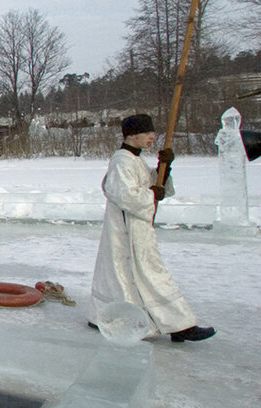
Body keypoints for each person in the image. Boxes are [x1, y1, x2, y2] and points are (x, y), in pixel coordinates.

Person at [88, 114, 215, 343]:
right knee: (135, 275)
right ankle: (178, 324)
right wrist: (152, 194)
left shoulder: (135, 160)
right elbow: (124, 194)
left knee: (142, 273)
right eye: (147, 133)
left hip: (139, 230)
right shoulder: (121, 161)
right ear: (132, 135)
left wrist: (164, 168)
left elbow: (153, 186)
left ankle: (176, 324)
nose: (152, 137)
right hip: (125, 233)